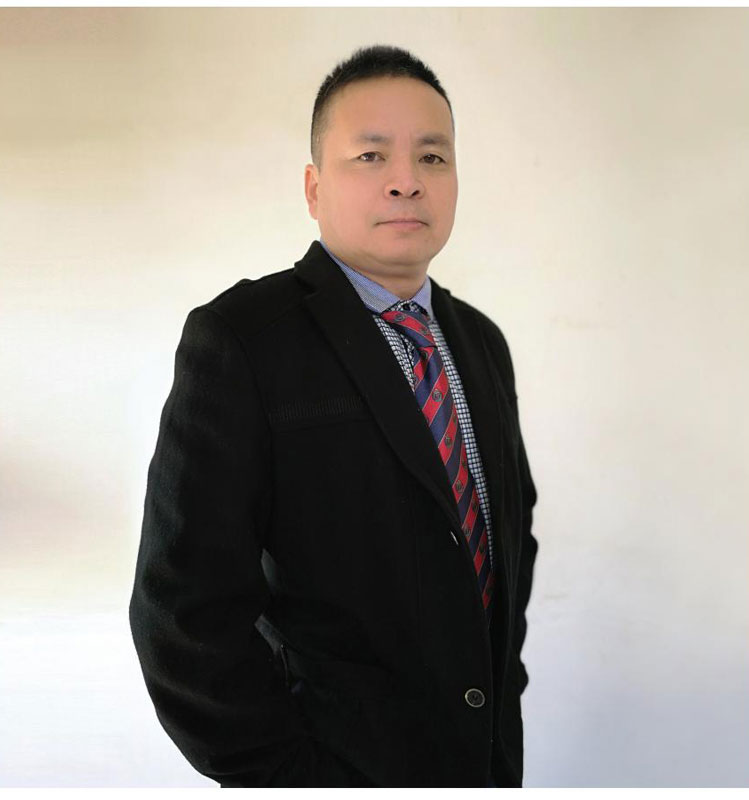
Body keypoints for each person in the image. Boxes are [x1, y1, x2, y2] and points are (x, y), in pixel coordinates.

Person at [129, 44, 538, 788]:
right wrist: (287, 776)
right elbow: (183, 609)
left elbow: (513, 539)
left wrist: (499, 690)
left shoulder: (482, 343)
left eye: (433, 157)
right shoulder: (245, 340)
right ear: (314, 188)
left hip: (484, 765)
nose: (407, 181)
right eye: (370, 156)